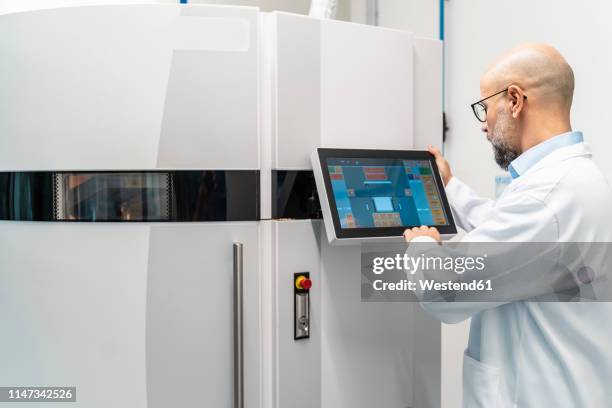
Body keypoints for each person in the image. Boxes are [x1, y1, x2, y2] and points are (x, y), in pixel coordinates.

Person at [403, 44, 612, 407]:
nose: (484, 124)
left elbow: (443, 293)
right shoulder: (579, 179)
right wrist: (450, 188)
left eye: (486, 107)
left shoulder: (543, 197)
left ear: (514, 100)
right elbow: (525, 246)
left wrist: (422, 245)